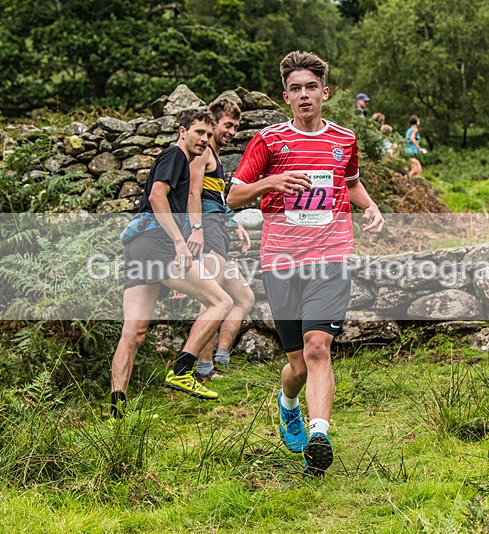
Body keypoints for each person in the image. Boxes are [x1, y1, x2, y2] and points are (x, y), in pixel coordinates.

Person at [226, 50, 385, 476]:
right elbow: (234, 196)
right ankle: (289, 403)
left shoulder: (344, 140)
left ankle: (319, 436)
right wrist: (271, 182)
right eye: (295, 89)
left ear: (325, 92)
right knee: (297, 365)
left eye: (311, 87)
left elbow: (349, 183)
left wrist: (369, 206)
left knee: (318, 347)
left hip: (331, 256)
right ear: (286, 97)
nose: (304, 95)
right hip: (280, 260)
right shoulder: (270, 141)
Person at [111, 109, 234, 417]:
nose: (204, 139)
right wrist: (180, 242)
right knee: (221, 301)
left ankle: (116, 410)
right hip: (158, 245)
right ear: (182, 131)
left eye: (208, 135)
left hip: (137, 247)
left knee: (134, 332)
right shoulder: (175, 155)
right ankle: (182, 370)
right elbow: (156, 196)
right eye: (199, 133)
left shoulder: (180, 158)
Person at [177, 99, 255, 385]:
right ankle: (203, 366)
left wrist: (233, 223)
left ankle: (221, 358)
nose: (232, 131)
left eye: (236, 126)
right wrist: (195, 231)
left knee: (244, 298)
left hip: (218, 228)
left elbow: (215, 198)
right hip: (207, 230)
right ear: (214, 123)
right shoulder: (204, 153)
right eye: (227, 125)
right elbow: (193, 193)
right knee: (212, 299)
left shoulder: (216, 157)